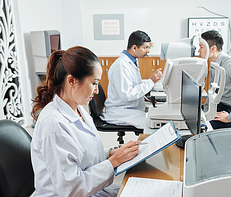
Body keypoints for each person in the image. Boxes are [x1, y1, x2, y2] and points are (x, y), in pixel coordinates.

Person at [30, 46, 141, 197]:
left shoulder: (78, 110)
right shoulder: (54, 125)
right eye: (94, 83)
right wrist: (114, 162)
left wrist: (110, 154)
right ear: (71, 81)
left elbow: (83, 156)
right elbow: (72, 189)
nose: (96, 91)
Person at [102, 30, 162, 129]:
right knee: (153, 125)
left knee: (155, 118)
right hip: (121, 111)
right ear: (134, 48)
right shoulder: (121, 66)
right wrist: (150, 82)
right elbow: (126, 94)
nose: (148, 51)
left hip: (129, 108)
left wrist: (149, 87)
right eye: (145, 47)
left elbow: (134, 84)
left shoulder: (132, 61)